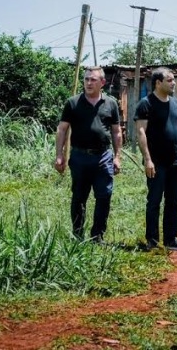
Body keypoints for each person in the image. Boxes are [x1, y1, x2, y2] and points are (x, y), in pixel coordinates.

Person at [55, 66, 122, 242]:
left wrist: (117, 156)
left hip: (103, 157)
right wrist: (59, 155)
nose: (88, 82)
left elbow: (116, 132)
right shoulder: (73, 103)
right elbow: (62, 130)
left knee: (104, 195)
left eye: (93, 79)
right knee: (78, 197)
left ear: (102, 83)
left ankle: (97, 235)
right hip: (79, 157)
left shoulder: (111, 103)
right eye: (86, 79)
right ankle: (77, 235)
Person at [134, 67, 177, 251]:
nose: (173, 83)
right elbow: (141, 132)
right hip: (156, 161)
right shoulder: (146, 104)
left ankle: (171, 239)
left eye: (173, 80)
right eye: (169, 80)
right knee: (154, 201)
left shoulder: (175, 104)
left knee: (173, 201)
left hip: (175, 160)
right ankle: (152, 240)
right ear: (158, 83)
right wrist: (148, 160)